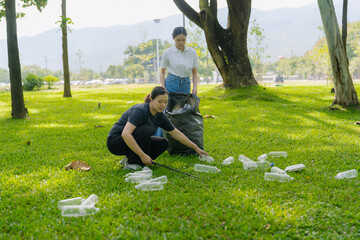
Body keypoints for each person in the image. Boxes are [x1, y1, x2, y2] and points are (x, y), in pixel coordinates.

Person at [107, 86, 207, 169]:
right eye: (160, 101)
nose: (163, 105)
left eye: (165, 102)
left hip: (131, 140)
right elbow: (125, 134)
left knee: (163, 143)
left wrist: (196, 148)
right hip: (115, 142)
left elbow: (176, 134)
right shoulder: (140, 110)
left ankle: (131, 158)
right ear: (151, 99)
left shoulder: (160, 116)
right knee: (144, 130)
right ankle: (132, 164)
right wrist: (142, 155)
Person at [160, 26, 200, 95]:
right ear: (173, 38)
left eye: (183, 40)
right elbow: (162, 73)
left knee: (184, 105)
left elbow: (194, 73)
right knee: (170, 105)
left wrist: (195, 87)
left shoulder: (192, 52)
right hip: (171, 84)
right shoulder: (167, 52)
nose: (181, 43)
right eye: (178, 40)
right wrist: (163, 87)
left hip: (186, 84)